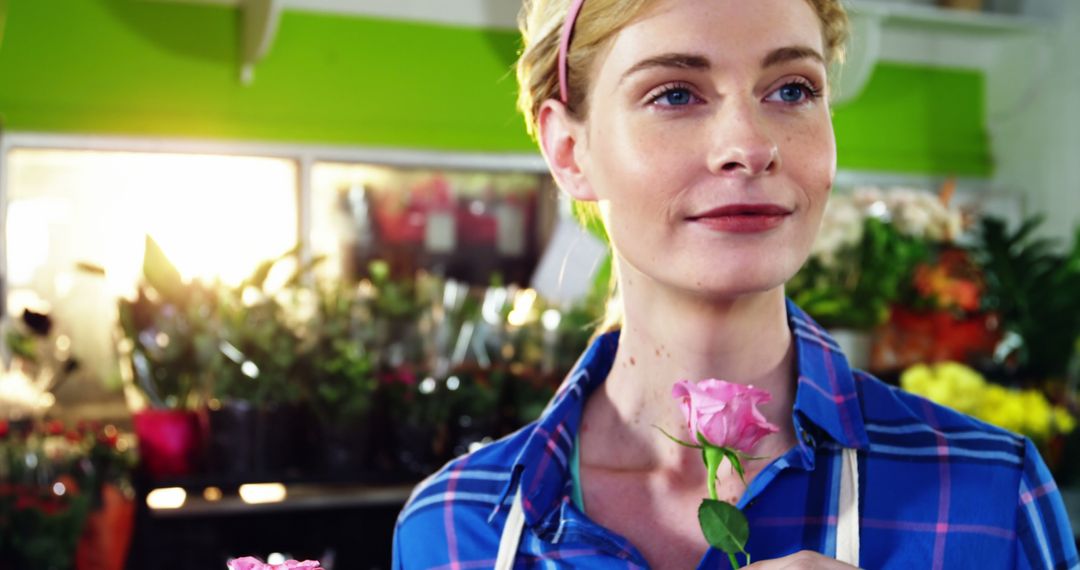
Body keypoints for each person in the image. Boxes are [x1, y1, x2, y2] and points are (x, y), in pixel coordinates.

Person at [392, 0, 1078, 568]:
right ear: (570, 151)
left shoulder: (991, 494)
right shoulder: (453, 531)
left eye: (791, 90)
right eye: (675, 95)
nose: (748, 146)